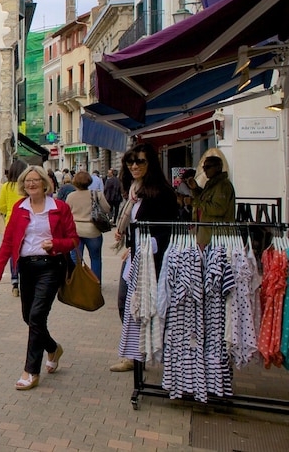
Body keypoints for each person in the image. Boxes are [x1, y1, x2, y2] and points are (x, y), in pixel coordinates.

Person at [0, 165, 78, 391]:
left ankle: (30, 371)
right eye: (27, 181)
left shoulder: (59, 207)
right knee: (28, 317)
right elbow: (9, 241)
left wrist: (55, 244)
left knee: (37, 316)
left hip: (51, 266)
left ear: (45, 183)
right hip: (26, 267)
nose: (31, 184)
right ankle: (53, 348)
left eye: (35, 180)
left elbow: (73, 240)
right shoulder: (20, 207)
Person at [109, 143, 178, 373]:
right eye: (130, 161)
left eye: (140, 161)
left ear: (151, 163)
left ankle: (144, 353)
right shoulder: (134, 190)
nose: (134, 166)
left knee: (143, 307)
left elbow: (167, 229)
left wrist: (142, 247)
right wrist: (130, 244)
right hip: (135, 255)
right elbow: (136, 226)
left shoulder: (162, 192)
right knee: (125, 304)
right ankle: (135, 353)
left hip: (151, 260)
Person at [65, 171, 110, 283]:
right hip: (93, 231)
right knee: (95, 258)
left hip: (76, 231)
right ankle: (96, 282)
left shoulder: (71, 196)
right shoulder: (96, 194)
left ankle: (76, 282)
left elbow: (66, 213)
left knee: (76, 258)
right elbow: (107, 209)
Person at [188, 155, 236, 246]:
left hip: (216, 237)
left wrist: (193, 202)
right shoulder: (213, 184)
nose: (205, 170)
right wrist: (195, 189)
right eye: (203, 167)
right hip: (207, 235)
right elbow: (205, 199)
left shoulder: (223, 185)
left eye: (208, 167)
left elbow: (218, 209)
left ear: (218, 167)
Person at [0, 159, 28, 296]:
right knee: (26, 251)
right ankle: (26, 280)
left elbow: (1, 206)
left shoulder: (6, 186)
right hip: (27, 220)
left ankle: (15, 282)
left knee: (12, 253)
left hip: (11, 221)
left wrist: (8, 210)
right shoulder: (26, 186)